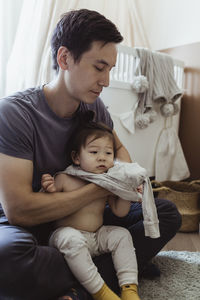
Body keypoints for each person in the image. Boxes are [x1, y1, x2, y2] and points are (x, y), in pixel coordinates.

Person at [0, 8, 181, 300]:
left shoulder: (94, 108)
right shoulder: (14, 113)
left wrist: (125, 178)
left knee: (165, 213)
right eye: (99, 67)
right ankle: (113, 271)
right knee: (8, 256)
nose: (107, 81)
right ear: (64, 59)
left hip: (88, 218)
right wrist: (99, 189)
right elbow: (20, 210)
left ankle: (78, 283)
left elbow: (118, 149)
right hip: (33, 225)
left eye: (110, 68)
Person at [41, 117, 141, 300]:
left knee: (122, 235)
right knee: (71, 239)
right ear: (76, 157)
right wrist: (49, 189)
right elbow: (46, 209)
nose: (102, 157)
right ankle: (101, 292)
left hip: (96, 236)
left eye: (108, 153)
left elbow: (120, 212)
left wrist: (126, 192)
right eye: (94, 152)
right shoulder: (65, 177)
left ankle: (129, 288)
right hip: (67, 235)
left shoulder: (108, 181)